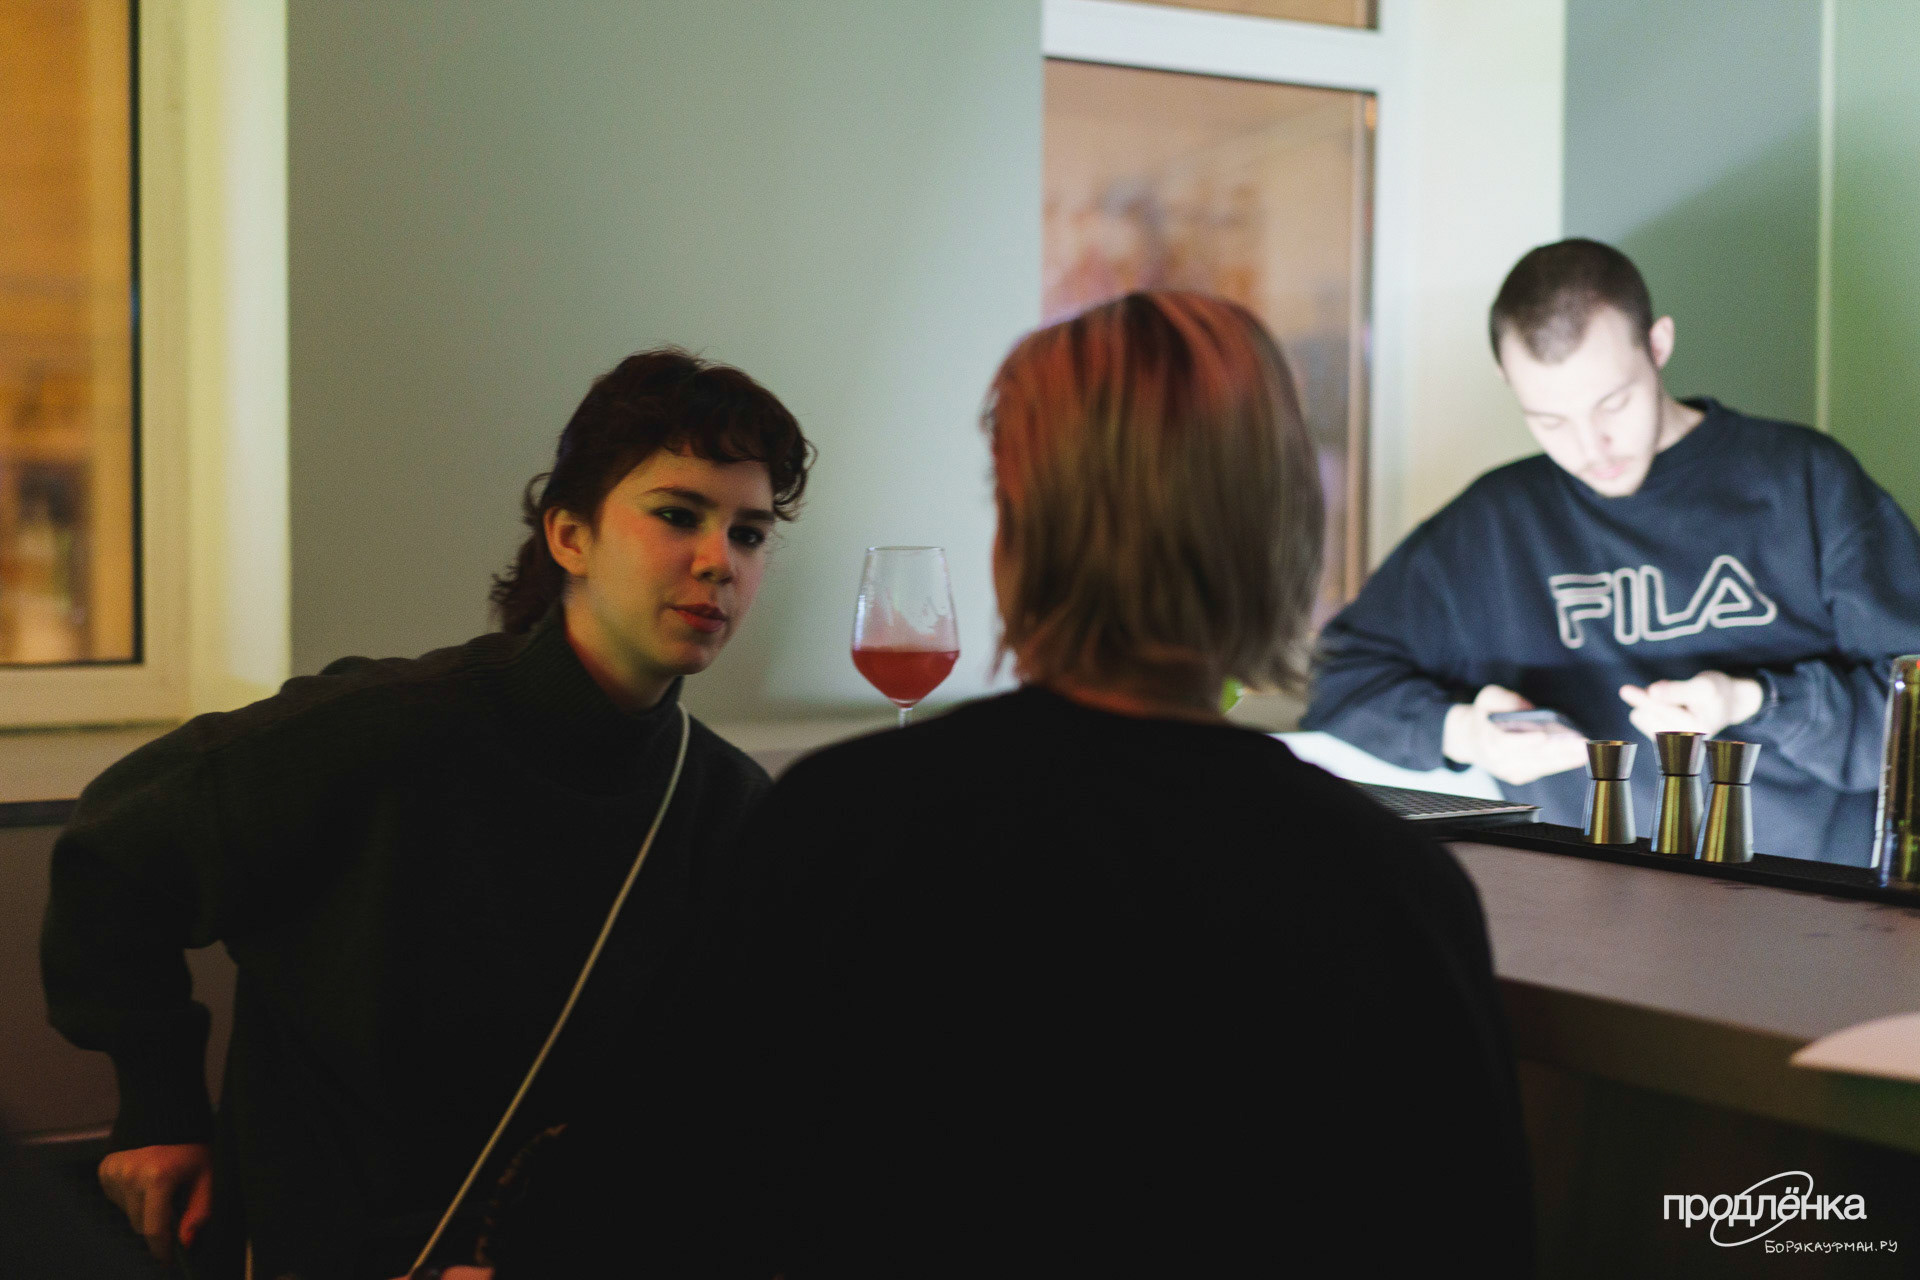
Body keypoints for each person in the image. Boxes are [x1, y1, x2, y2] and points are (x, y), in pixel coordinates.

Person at [481, 291, 1534, 1277]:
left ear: (1021, 538)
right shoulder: (1396, 892)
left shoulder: (849, 828)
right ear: (1288, 534)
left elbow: (646, 1205)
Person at [39, 347, 813, 1280]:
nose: (718, 562)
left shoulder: (727, 806)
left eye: (750, 534)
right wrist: (158, 1108)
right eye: (678, 516)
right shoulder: (385, 731)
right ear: (570, 537)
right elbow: (113, 855)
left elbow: (714, 1103)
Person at [1305, 239, 1920, 865]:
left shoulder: (1803, 481)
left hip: (1812, 902)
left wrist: (1754, 701)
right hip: (1582, 908)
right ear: (1509, 383)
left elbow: (1911, 716)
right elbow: (1335, 679)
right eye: (1550, 420)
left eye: (1613, 404)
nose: (1591, 447)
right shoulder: (1491, 526)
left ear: (1658, 345)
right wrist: (1464, 733)